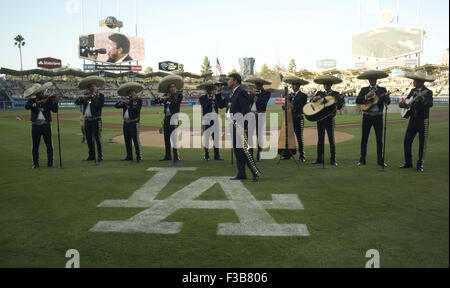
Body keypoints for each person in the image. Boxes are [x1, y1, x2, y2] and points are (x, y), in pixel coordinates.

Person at [399, 71, 435, 173]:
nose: (413, 82)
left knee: (422, 143)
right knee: (407, 141)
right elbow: (407, 102)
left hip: (423, 120)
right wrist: (403, 104)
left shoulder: (428, 92)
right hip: (413, 119)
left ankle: (420, 164)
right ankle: (408, 162)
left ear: (420, 81)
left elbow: (429, 104)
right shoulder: (412, 91)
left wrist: (421, 98)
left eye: (415, 80)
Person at [227, 73, 260, 182]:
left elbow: (246, 111)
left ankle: (255, 173)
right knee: (237, 151)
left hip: (241, 126)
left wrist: (245, 127)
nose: (228, 81)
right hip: (234, 125)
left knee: (246, 151)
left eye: (230, 79)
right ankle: (241, 173)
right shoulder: (233, 93)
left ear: (236, 81)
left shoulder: (241, 92)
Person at [355, 70, 390, 167]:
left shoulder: (382, 90)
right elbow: (358, 100)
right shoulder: (364, 90)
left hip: (378, 116)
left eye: (374, 79)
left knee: (379, 139)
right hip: (367, 116)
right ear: (368, 80)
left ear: (376, 79)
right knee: (364, 139)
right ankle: (362, 160)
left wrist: (387, 97)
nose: (372, 80)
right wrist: (366, 96)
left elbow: (387, 102)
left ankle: (380, 160)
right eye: (370, 79)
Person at [311, 75, 344, 166]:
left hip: (330, 119)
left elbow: (339, 107)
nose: (325, 85)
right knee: (320, 139)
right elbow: (312, 103)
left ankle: (333, 159)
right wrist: (314, 99)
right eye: (324, 83)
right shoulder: (319, 93)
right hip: (320, 119)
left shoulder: (335, 94)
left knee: (331, 139)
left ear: (331, 84)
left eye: (327, 83)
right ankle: (319, 158)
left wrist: (341, 100)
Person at [25, 83, 59, 169]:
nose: (43, 92)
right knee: (35, 145)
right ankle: (35, 163)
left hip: (46, 125)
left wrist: (55, 102)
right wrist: (38, 102)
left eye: (42, 91)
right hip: (35, 125)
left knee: (49, 145)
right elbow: (27, 106)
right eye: (41, 91)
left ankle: (50, 162)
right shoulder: (32, 100)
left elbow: (55, 110)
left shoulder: (48, 99)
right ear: (37, 93)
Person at [75, 76, 106, 163]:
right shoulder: (86, 96)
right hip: (87, 120)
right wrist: (80, 98)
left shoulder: (100, 96)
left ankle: (100, 156)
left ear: (96, 87)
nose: (92, 88)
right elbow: (76, 103)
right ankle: (91, 156)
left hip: (96, 120)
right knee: (89, 138)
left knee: (97, 138)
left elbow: (99, 106)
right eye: (90, 87)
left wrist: (94, 98)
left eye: (93, 86)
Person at [156, 75, 184, 165]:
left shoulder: (179, 95)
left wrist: (170, 97)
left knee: (174, 138)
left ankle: (176, 158)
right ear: (168, 89)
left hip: (174, 118)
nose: (172, 88)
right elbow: (156, 102)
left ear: (176, 88)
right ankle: (168, 155)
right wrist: (161, 98)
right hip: (167, 118)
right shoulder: (166, 95)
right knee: (166, 138)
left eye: (173, 87)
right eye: (170, 87)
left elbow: (175, 104)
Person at [245, 76, 272, 162]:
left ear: (261, 84)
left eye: (258, 84)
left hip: (260, 115)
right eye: (256, 84)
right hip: (252, 115)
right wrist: (251, 94)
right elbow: (247, 102)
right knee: (249, 134)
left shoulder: (266, 93)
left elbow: (262, 102)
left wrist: (254, 94)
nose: (256, 85)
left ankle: (259, 154)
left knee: (259, 135)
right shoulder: (252, 93)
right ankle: (250, 153)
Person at [116, 82, 144, 163]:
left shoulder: (138, 100)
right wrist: (122, 102)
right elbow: (116, 106)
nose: (131, 93)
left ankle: (139, 157)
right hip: (126, 123)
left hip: (134, 123)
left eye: (132, 92)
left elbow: (137, 110)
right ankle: (129, 156)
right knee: (127, 140)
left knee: (135, 140)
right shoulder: (126, 101)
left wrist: (133, 102)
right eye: (129, 92)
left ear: (135, 92)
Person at [283, 75, 310, 162]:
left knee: (299, 138)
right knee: (289, 137)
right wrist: (285, 105)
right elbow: (284, 107)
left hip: (298, 118)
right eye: (292, 85)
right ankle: (288, 154)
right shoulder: (289, 95)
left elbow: (302, 108)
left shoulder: (303, 96)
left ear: (298, 86)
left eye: (294, 85)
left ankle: (302, 155)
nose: (292, 86)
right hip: (290, 119)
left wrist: (292, 106)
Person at [198, 81, 225, 161]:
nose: (211, 90)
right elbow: (205, 105)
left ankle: (217, 155)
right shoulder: (202, 97)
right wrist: (211, 99)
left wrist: (218, 94)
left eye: (212, 89)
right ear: (206, 89)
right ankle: (206, 155)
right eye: (209, 89)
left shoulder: (216, 96)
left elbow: (221, 106)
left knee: (216, 138)